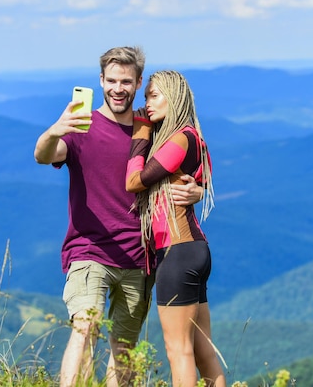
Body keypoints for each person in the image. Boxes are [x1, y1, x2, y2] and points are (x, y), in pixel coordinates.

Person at [34, 47, 202, 387]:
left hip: (140, 256)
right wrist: (54, 131)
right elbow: (43, 156)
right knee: (86, 327)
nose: (117, 88)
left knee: (124, 349)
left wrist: (196, 191)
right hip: (89, 249)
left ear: (139, 83)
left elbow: (187, 163)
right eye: (111, 80)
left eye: (126, 81)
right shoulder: (80, 127)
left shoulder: (150, 129)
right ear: (100, 81)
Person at [125, 70, 226, 387]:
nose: (147, 104)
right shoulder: (195, 137)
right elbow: (203, 182)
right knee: (202, 349)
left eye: (154, 95)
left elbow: (134, 182)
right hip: (196, 251)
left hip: (177, 254)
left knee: (177, 350)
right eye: (146, 97)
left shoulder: (179, 138)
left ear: (174, 96)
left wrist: (140, 136)